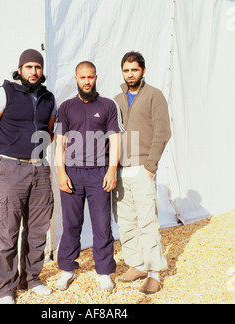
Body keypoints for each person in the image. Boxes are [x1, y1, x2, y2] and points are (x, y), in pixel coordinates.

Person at [0, 49, 57, 304]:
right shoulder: (5, 92)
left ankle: (31, 279)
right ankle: (6, 290)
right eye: (29, 66)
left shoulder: (48, 97)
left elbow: (49, 131)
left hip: (40, 170)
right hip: (11, 170)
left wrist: (37, 154)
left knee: (37, 230)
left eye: (38, 67)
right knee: (7, 231)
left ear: (42, 71)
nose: (34, 71)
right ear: (20, 68)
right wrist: (2, 153)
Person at [54, 61, 124, 293]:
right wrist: (61, 173)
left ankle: (104, 271)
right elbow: (60, 143)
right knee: (71, 224)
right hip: (72, 173)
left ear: (96, 77)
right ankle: (67, 268)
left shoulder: (107, 106)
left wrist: (112, 170)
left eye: (91, 77)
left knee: (102, 224)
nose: (87, 81)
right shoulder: (65, 107)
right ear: (76, 78)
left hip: (99, 173)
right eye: (82, 77)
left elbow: (115, 140)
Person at [113, 52, 171, 294]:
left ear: (143, 71)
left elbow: (163, 131)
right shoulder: (116, 99)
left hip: (142, 169)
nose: (130, 74)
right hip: (120, 170)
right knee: (126, 222)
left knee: (147, 220)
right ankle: (137, 264)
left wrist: (150, 166)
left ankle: (154, 273)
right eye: (126, 70)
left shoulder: (154, 96)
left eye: (134, 70)